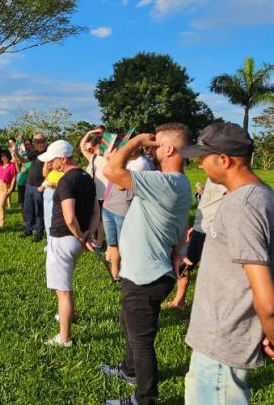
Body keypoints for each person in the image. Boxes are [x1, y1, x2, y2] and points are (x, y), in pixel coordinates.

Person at [178, 123, 274, 404]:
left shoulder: (242, 206)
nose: (199, 163)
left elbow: (266, 297)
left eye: (203, 157)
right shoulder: (262, 195)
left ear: (224, 160)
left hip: (223, 343)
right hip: (223, 339)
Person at [101, 123, 192, 405]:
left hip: (146, 277)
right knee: (129, 324)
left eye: (155, 143)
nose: (150, 148)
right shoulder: (177, 182)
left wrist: (135, 141)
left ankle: (144, 398)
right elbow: (182, 223)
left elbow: (111, 171)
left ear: (169, 149)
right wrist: (179, 250)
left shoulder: (166, 182)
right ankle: (129, 370)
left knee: (141, 341)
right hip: (143, 271)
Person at [39, 140, 100, 346]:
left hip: (64, 239)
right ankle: (66, 316)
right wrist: (88, 234)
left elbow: (69, 217)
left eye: (53, 160)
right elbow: (96, 212)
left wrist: (79, 235)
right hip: (75, 240)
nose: (50, 164)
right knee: (65, 287)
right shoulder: (87, 178)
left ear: (63, 159)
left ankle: (64, 338)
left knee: (63, 291)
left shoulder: (66, 181)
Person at [163, 177, 226, 310]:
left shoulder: (226, 177)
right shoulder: (213, 177)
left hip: (209, 230)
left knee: (190, 265)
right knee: (185, 263)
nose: (201, 163)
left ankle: (191, 304)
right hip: (200, 228)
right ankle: (179, 301)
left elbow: (231, 199)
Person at [102, 142, 152, 282]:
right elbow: (106, 173)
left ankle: (128, 273)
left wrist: (114, 162)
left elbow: (120, 186)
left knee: (125, 245)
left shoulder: (140, 164)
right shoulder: (125, 162)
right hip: (109, 207)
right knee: (112, 243)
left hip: (124, 210)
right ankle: (115, 272)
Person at [20, 133, 47, 242]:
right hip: (29, 185)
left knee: (39, 211)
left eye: (35, 141)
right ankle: (28, 230)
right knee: (29, 210)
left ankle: (39, 234)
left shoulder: (47, 154)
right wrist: (15, 153)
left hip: (39, 187)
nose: (33, 142)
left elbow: (50, 171)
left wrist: (43, 185)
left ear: (41, 141)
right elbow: (24, 160)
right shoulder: (35, 152)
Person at [0, 149, 17, 228]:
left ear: (8, 156)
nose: (3, 158)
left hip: (5, 186)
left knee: (1, 205)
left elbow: (14, 177)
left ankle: (2, 222)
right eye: (1, 156)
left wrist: (11, 188)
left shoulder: (12, 165)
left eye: (4, 156)